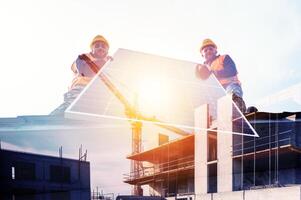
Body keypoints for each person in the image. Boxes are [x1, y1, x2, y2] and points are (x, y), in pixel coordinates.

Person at [50, 35, 112, 115]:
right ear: (92, 48)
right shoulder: (83, 57)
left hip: (100, 92)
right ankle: (46, 122)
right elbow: (86, 71)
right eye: (97, 46)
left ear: (107, 50)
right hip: (81, 88)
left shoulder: (111, 62)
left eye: (103, 46)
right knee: (69, 108)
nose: (100, 48)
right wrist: (106, 63)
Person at [195, 38, 246, 112]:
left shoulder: (224, 58)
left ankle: (237, 104)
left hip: (229, 85)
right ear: (202, 54)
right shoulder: (203, 68)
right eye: (205, 50)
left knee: (231, 93)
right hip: (216, 92)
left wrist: (215, 73)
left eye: (210, 49)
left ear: (215, 50)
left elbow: (232, 70)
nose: (208, 51)